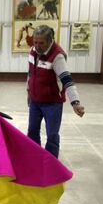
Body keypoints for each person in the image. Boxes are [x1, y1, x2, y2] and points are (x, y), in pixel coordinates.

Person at [27, 25, 85, 158]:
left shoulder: (57, 56)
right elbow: (30, 73)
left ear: (50, 41)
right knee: (32, 131)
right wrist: (28, 90)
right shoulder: (33, 51)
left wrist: (75, 102)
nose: (37, 46)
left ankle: (51, 163)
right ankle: (34, 157)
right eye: (35, 42)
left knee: (52, 135)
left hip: (52, 103)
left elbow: (67, 80)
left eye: (41, 43)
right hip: (35, 101)